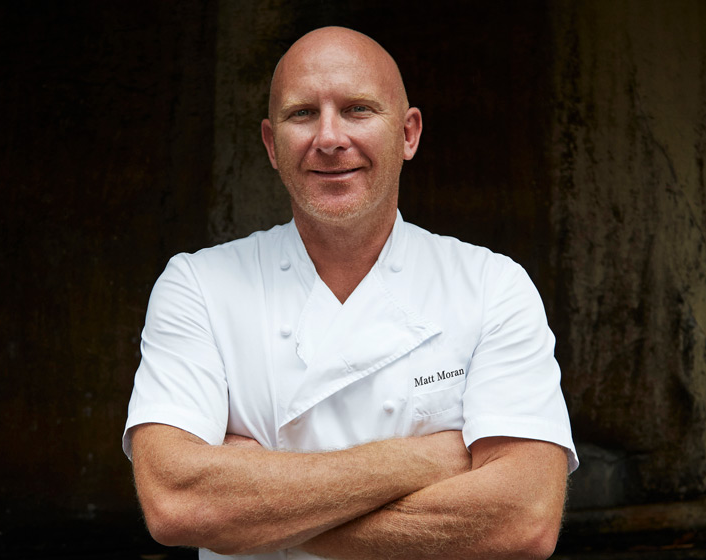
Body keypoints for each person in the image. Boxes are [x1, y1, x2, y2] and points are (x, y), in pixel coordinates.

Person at [123, 26, 578, 560]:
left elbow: (524, 520)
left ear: (408, 134)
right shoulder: (198, 286)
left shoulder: (492, 286)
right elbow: (176, 504)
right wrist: (425, 460)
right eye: (302, 114)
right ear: (271, 145)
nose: (329, 138)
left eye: (358, 110)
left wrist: (252, 507)